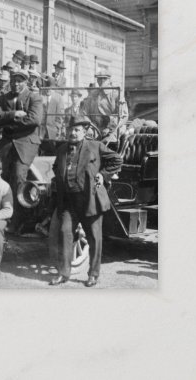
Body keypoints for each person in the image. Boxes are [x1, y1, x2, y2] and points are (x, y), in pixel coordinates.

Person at [50, 116, 123, 287]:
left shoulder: (95, 146)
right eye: (70, 129)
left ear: (84, 132)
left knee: (94, 238)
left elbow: (117, 159)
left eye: (76, 130)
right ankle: (63, 273)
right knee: (64, 232)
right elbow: (56, 167)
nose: (72, 133)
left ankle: (93, 275)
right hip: (69, 201)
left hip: (90, 200)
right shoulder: (61, 150)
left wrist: (102, 175)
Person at [0, 70, 43, 235]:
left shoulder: (34, 97)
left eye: (20, 81)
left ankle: (16, 222)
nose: (15, 83)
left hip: (26, 143)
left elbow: (34, 120)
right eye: (13, 80)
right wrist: (14, 114)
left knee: (18, 178)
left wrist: (8, 124)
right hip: (7, 143)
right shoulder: (2, 98)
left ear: (26, 82)